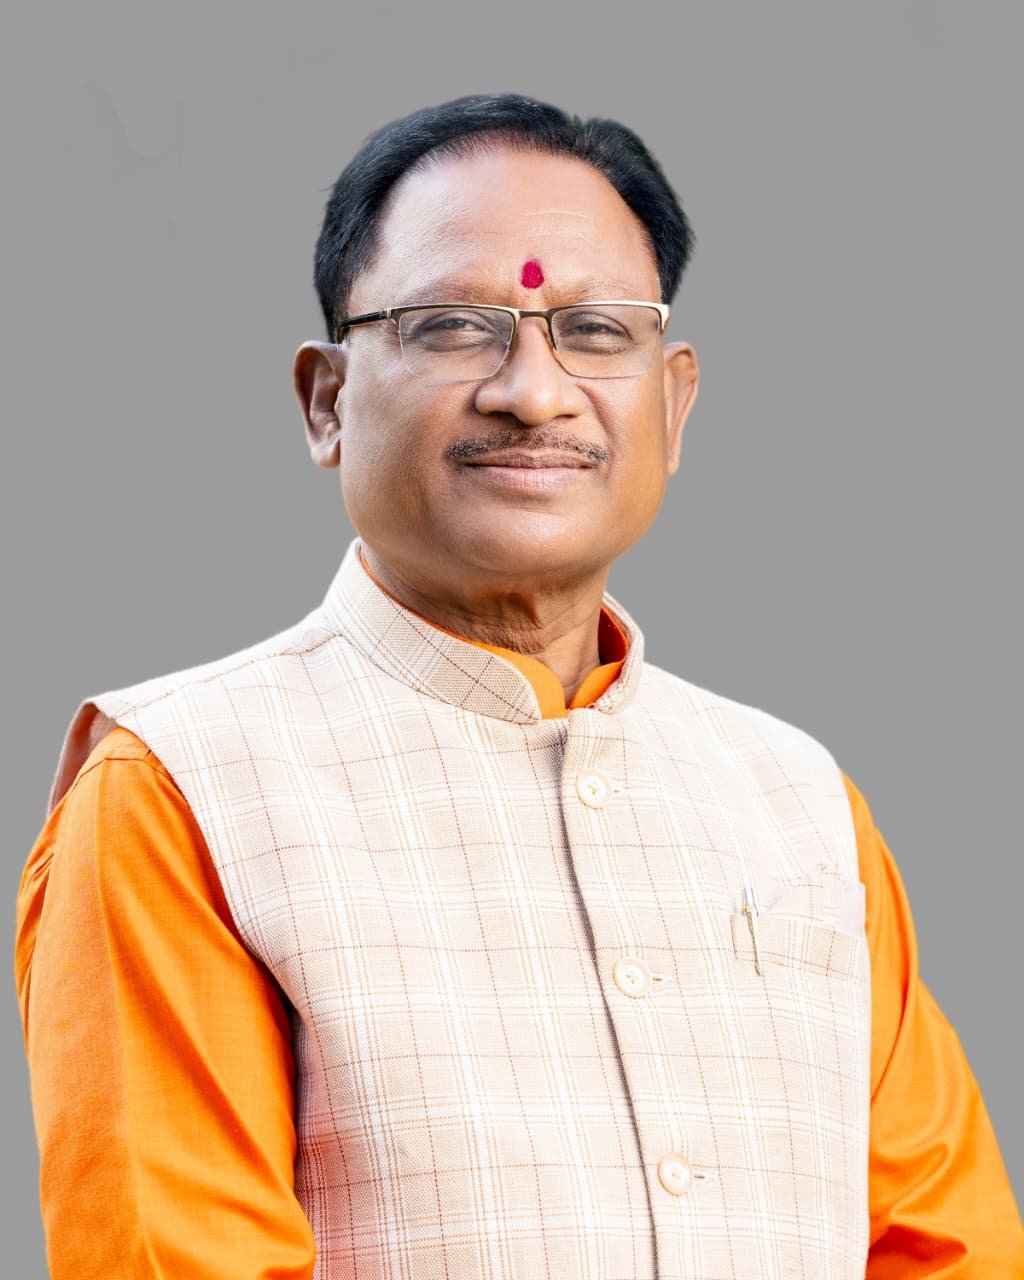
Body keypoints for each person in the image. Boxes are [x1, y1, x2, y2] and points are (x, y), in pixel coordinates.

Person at [14, 92, 1023, 1279]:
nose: (534, 391)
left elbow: (948, 1246)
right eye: (452, 326)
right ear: (325, 400)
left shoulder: (795, 798)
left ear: (673, 402)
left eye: (594, 328)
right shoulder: (182, 791)